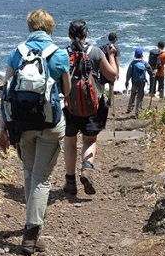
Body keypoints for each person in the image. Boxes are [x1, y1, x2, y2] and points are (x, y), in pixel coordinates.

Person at [0, 9, 71, 255]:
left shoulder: (16, 53)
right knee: (42, 178)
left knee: (30, 172)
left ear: (30, 27)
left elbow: (6, 94)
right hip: (50, 125)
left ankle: (34, 228)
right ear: (50, 28)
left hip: (22, 126)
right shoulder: (59, 54)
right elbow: (67, 91)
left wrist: (2, 128)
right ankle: (31, 233)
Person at [62, 20, 118, 197]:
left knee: (70, 142)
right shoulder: (95, 52)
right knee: (89, 141)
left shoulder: (63, 53)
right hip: (92, 106)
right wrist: (111, 56)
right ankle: (86, 168)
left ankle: (70, 183)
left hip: (68, 105)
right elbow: (112, 75)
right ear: (86, 34)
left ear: (70, 36)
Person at [124, 48, 154, 118]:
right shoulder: (144, 63)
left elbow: (129, 73)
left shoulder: (132, 63)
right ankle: (138, 112)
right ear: (142, 55)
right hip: (142, 82)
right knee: (140, 96)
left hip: (134, 82)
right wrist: (153, 74)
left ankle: (130, 107)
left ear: (135, 55)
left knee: (133, 94)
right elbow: (150, 71)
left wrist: (127, 81)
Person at [101, 32, 121, 108]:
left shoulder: (102, 47)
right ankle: (109, 100)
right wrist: (118, 72)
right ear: (115, 39)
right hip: (112, 69)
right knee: (111, 85)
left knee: (102, 85)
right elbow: (117, 61)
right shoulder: (115, 49)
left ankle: (101, 99)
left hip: (104, 68)